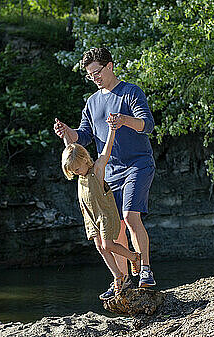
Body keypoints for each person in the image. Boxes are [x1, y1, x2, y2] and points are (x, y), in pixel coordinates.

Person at [54, 47, 156, 294]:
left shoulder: (131, 92)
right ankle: (122, 280)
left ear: (110, 66)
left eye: (97, 72)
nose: (95, 77)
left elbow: (147, 125)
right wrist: (68, 133)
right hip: (108, 173)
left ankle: (145, 269)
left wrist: (123, 120)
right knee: (114, 228)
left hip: (138, 165)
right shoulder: (92, 102)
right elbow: (85, 136)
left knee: (131, 217)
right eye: (90, 75)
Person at [61, 115, 141, 300]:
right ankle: (118, 277)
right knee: (100, 247)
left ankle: (134, 257)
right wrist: (66, 133)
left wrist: (112, 130)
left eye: (77, 169)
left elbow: (106, 151)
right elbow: (69, 149)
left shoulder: (96, 170)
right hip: (90, 216)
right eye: (72, 171)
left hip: (105, 215)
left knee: (108, 244)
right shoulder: (78, 170)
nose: (76, 173)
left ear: (86, 161)